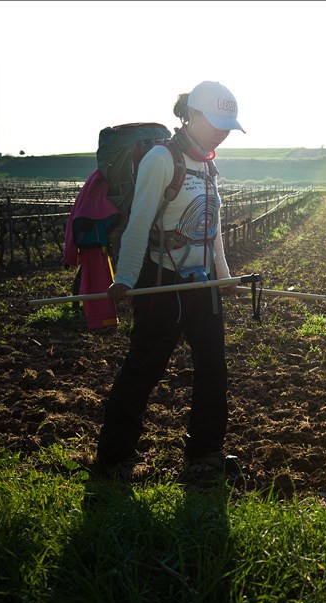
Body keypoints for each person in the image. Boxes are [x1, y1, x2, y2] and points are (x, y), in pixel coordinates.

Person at [91, 80, 245, 483]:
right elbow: (139, 221)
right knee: (145, 367)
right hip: (162, 279)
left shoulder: (208, 163)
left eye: (228, 125)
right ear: (191, 116)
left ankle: (205, 455)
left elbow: (212, 227)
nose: (223, 132)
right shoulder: (162, 158)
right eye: (216, 123)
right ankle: (114, 459)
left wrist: (223, 277)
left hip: (203, 284)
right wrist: (124, 278)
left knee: (213, 368)